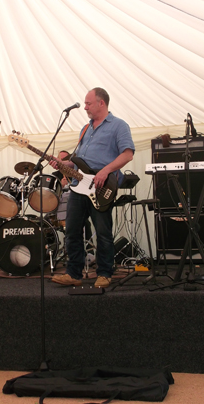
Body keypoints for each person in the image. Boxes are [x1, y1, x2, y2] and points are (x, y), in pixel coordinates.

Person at [49, 87, 134, 288]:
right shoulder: (85, 129)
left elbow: (128, 154)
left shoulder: (118, 126)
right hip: (79, 187)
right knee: (72, 231)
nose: (85, 107)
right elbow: (78, 163)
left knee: (103, 232)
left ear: (101, 103)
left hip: (102, 187)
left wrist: (105, 170)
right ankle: (74, 274)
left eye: (88, 103)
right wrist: (62, 164)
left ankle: (105, 273)